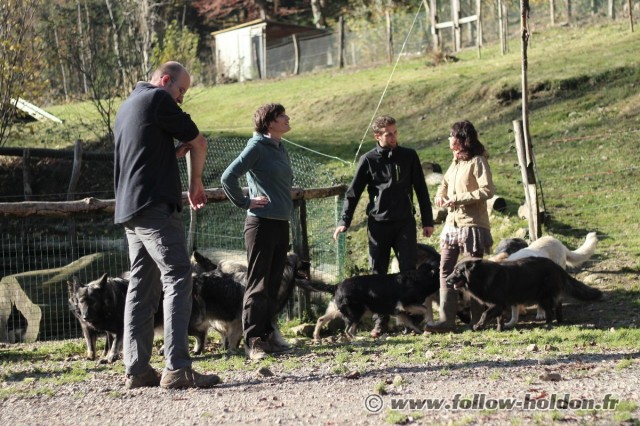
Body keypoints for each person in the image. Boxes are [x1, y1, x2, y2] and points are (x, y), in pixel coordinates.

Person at [114, 61, 220, 389]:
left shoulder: (127, 107)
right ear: (165, 81)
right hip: (156, 208)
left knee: (142, 287)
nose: (181, 99)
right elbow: (199, 141)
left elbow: (141, 155)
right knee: (178, 275)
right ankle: (178, 368)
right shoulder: (158, 100)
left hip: (130, 209)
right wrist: (195, 183)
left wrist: (169, 154)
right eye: (181, 91)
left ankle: (137, 369)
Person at [333, 115, 435, 337]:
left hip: (405, 222)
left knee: (408, 272)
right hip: (378, 224)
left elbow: (421, 189)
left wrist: (427, 220)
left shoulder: (409, 156)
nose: (393, 137)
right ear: (377, 136)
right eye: (389, 134)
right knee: (377, 274)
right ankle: (381, 322)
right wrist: (344, 221)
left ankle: (412, 322)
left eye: (395, 132)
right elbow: (353, 193)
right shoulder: (368, 160)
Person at [221, 103, 294, 360]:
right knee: (258, 284)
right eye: (282, 116)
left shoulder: (279, 147)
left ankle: (269, 336)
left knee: (274, 283)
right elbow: (228, 176)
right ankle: (253, 342)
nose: (287, 118)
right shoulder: (256, 147)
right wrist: (245, 201)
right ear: (270, 122)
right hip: (260, 223)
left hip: (280, 223)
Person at [425, 120, 495, 333]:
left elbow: (487, 190)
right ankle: (446, 321)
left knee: (474, 274)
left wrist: (457, 199)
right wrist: (440, 197)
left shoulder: (478, 161)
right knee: (445, 269)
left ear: (462, 139)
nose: (449, 139)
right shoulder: (455, 161)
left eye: (451, 135)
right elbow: (444, 184)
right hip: (452, 225)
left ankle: (477, 321)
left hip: (472, 224)